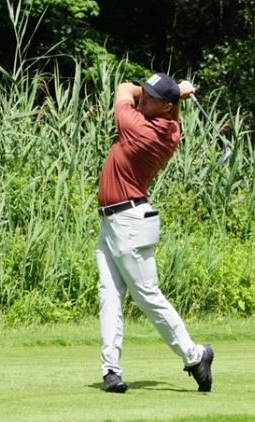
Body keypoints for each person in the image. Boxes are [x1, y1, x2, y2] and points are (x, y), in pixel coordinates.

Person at [95, 73, 214, 393]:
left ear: (165, 106)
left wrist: (177, 93)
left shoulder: (139, 128)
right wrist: (175, 97)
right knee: (109, 295)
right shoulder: (170, 127)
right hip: (113, 223)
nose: (142, 99)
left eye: (149, 97)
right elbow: (164, 109)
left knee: (147, 296)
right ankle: (111, 372)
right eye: (143, 94)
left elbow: (122, 88)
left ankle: (195, 355)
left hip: (129, 223)